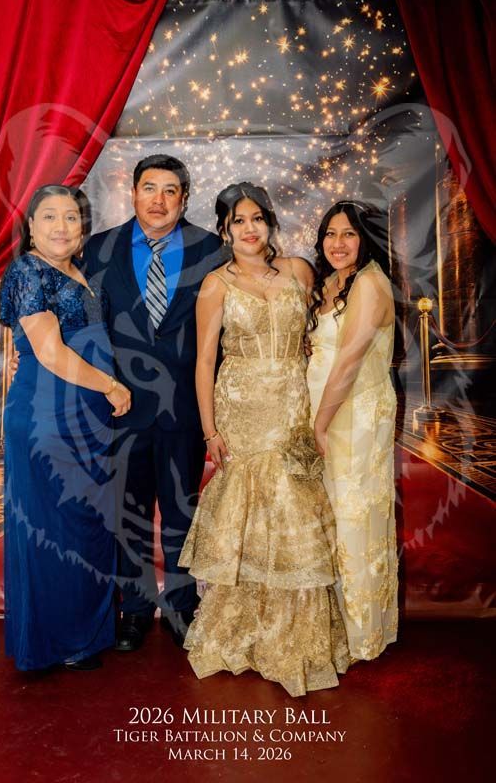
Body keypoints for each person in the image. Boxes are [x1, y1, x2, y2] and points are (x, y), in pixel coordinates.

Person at [179, 182, 349, 697]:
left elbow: (322, 335)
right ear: (225, 230)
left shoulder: (299, 270)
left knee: (294, 509)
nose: (249, 229)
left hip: (293, 402)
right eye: (238, 221)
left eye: (256, 218)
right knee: (250, 515)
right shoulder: (214, 286)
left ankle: (295, 638)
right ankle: (244, 632)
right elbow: (205, 362)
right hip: (242, 406)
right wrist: (210, 430)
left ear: (268, 222)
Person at [83, 155, 226, 651]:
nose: (159, 200)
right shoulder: (99, 251)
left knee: (183, 511)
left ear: (184, 197)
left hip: (186, 408)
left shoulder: (213, 250)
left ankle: (183, 607)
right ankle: (136, 609)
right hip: (120, 410)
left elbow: (224, 337)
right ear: (133, 194)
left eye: (170, 190)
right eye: (149, 188)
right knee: (129, 514)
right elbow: (88, 335)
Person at [0, 184, 131, 671]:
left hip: (86, 413)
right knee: (54, 524)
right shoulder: (29, 270)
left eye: (71, 217)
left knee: (86, 522)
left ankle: (84, 636)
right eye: (48, 217)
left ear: (83, 226)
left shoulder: (77, 270)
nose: (60, 226)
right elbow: (50, 353)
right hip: (49, 412)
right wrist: (112, 386)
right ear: (30, 226)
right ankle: (53, 642)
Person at [307, 200, 398, 662]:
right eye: (330, 234)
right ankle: (337, 624)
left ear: (365, 238)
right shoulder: (331, 284)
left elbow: (348, 362)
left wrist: (319, 424)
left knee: (355, 519)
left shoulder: (369, 284)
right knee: (333, 520)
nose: (338, 243)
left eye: (348, 234)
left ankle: (361, 633)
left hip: (354, 416)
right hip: (329, 412)